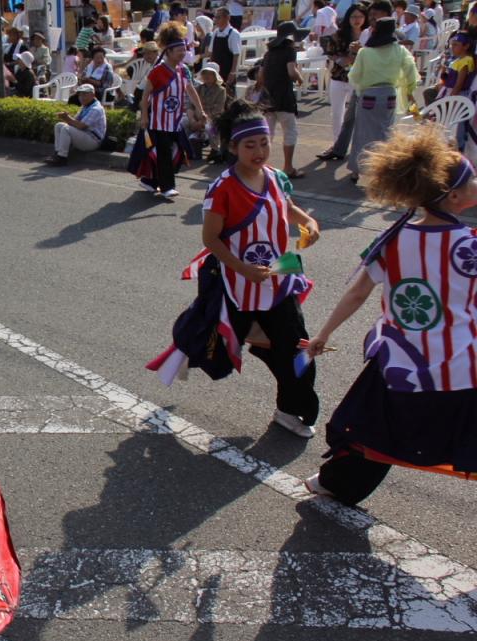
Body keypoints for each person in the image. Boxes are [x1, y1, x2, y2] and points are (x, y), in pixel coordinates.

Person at [304, 125, 477, 505]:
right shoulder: (469, 246)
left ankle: (337, 482)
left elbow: (358, 292)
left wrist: (324, 334)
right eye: (472, 180)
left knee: (366, 429)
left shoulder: (394, 238)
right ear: (454, 197)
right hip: (462, 366)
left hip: (400, 361)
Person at [176, 100, 321, 436]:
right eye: (250, 145)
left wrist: (309, 222)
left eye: (264, 142)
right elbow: (211, 240)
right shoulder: (222, 188)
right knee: (217, 352)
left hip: (279, 277)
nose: (259, 151)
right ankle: (187, 348)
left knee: (299, 349)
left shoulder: (277, 177)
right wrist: (242, 268)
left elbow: (287, 206)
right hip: (235, 285)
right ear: (233, 147)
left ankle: (290, 410)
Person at [131, 22, 207, 198]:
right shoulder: (158, 71)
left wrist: (200, 109)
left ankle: (150, 181)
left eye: (184, 49)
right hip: (158, 121)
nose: (183, 53)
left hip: (176, 121)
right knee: (164, 154)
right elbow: (145, 96)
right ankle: (166, 187)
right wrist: (144, 116)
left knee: (181, 152)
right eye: (179, 50)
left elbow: (191, 90)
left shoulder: (183, 70)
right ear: (169, 52)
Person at [346, 17, 419, 183]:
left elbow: (354, 75)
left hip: (368, 95)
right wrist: (409, 92)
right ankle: (383, 169)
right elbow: (411, 72)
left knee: (362, 133)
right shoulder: (400, 51)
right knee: (385, 132)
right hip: (389, 95)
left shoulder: (365, 52)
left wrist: (360, 88)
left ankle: (357, 171)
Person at [321, 0, 394, 162]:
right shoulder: (363, 33)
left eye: (363, 16)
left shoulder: (393, 35)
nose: (359, 19)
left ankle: (371, 159)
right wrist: (347, 58)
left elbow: (372, 57)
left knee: (371, 123)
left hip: (376, 85)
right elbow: (337, 53)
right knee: (345, 118)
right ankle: (339, 149)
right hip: (350, 80)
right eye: (371, 14)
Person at [261, 21, 307, 178]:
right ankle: (288, 167)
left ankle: (261, 167)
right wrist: (300, 79)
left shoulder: (268, 53)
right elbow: (291, 72)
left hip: (268, 98)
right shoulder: (289, 51)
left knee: (268, 134)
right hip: (284, 97)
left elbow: (260, 76)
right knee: (290, 131)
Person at [319, 4, 366, 158]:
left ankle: (354, 146)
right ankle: (337, 145)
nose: (357, 20)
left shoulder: (368, 35)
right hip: (339, 77)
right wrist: (342, 59)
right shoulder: (339, 34)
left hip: (358, 79)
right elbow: (329, 52)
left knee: (355, 116)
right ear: (348, 18)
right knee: (337, 113)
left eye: (360, 16)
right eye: (353, 16)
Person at [45, 84, 106, 165]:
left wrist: (67, 118)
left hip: (93, 141)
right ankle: (57, 153)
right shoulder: (85, 106)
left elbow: (81, 126)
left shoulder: (96, 109)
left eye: (85, 94)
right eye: (80, 95)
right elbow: (75, 122)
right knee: (59, 125)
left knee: (66, 129)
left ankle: (62, 158)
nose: (81, 97)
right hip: (85, 135)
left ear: (92, 95)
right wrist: (66, 117)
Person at [197, 62, 229, 161]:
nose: (206, 76)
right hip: (197, 116)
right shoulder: (198, 88)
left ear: (215, 76)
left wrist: (205, 118)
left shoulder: (221, 90)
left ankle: (215, 150)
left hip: (213, 117)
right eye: (205, 73)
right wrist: (195, 117)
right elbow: (192, 105)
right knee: (183, 124)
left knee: (211, 127)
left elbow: (218, 109)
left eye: (210, 73)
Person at [210, 7, 241, 96]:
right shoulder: (215, 32)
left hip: (227, 69)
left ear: (227, 18)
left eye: (218, 17)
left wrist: (233, 72)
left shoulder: (233, 33)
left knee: (228, 96)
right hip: (216, 71)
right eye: (215, 17)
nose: (216, 20)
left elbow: (236, 54)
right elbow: (212, 52)